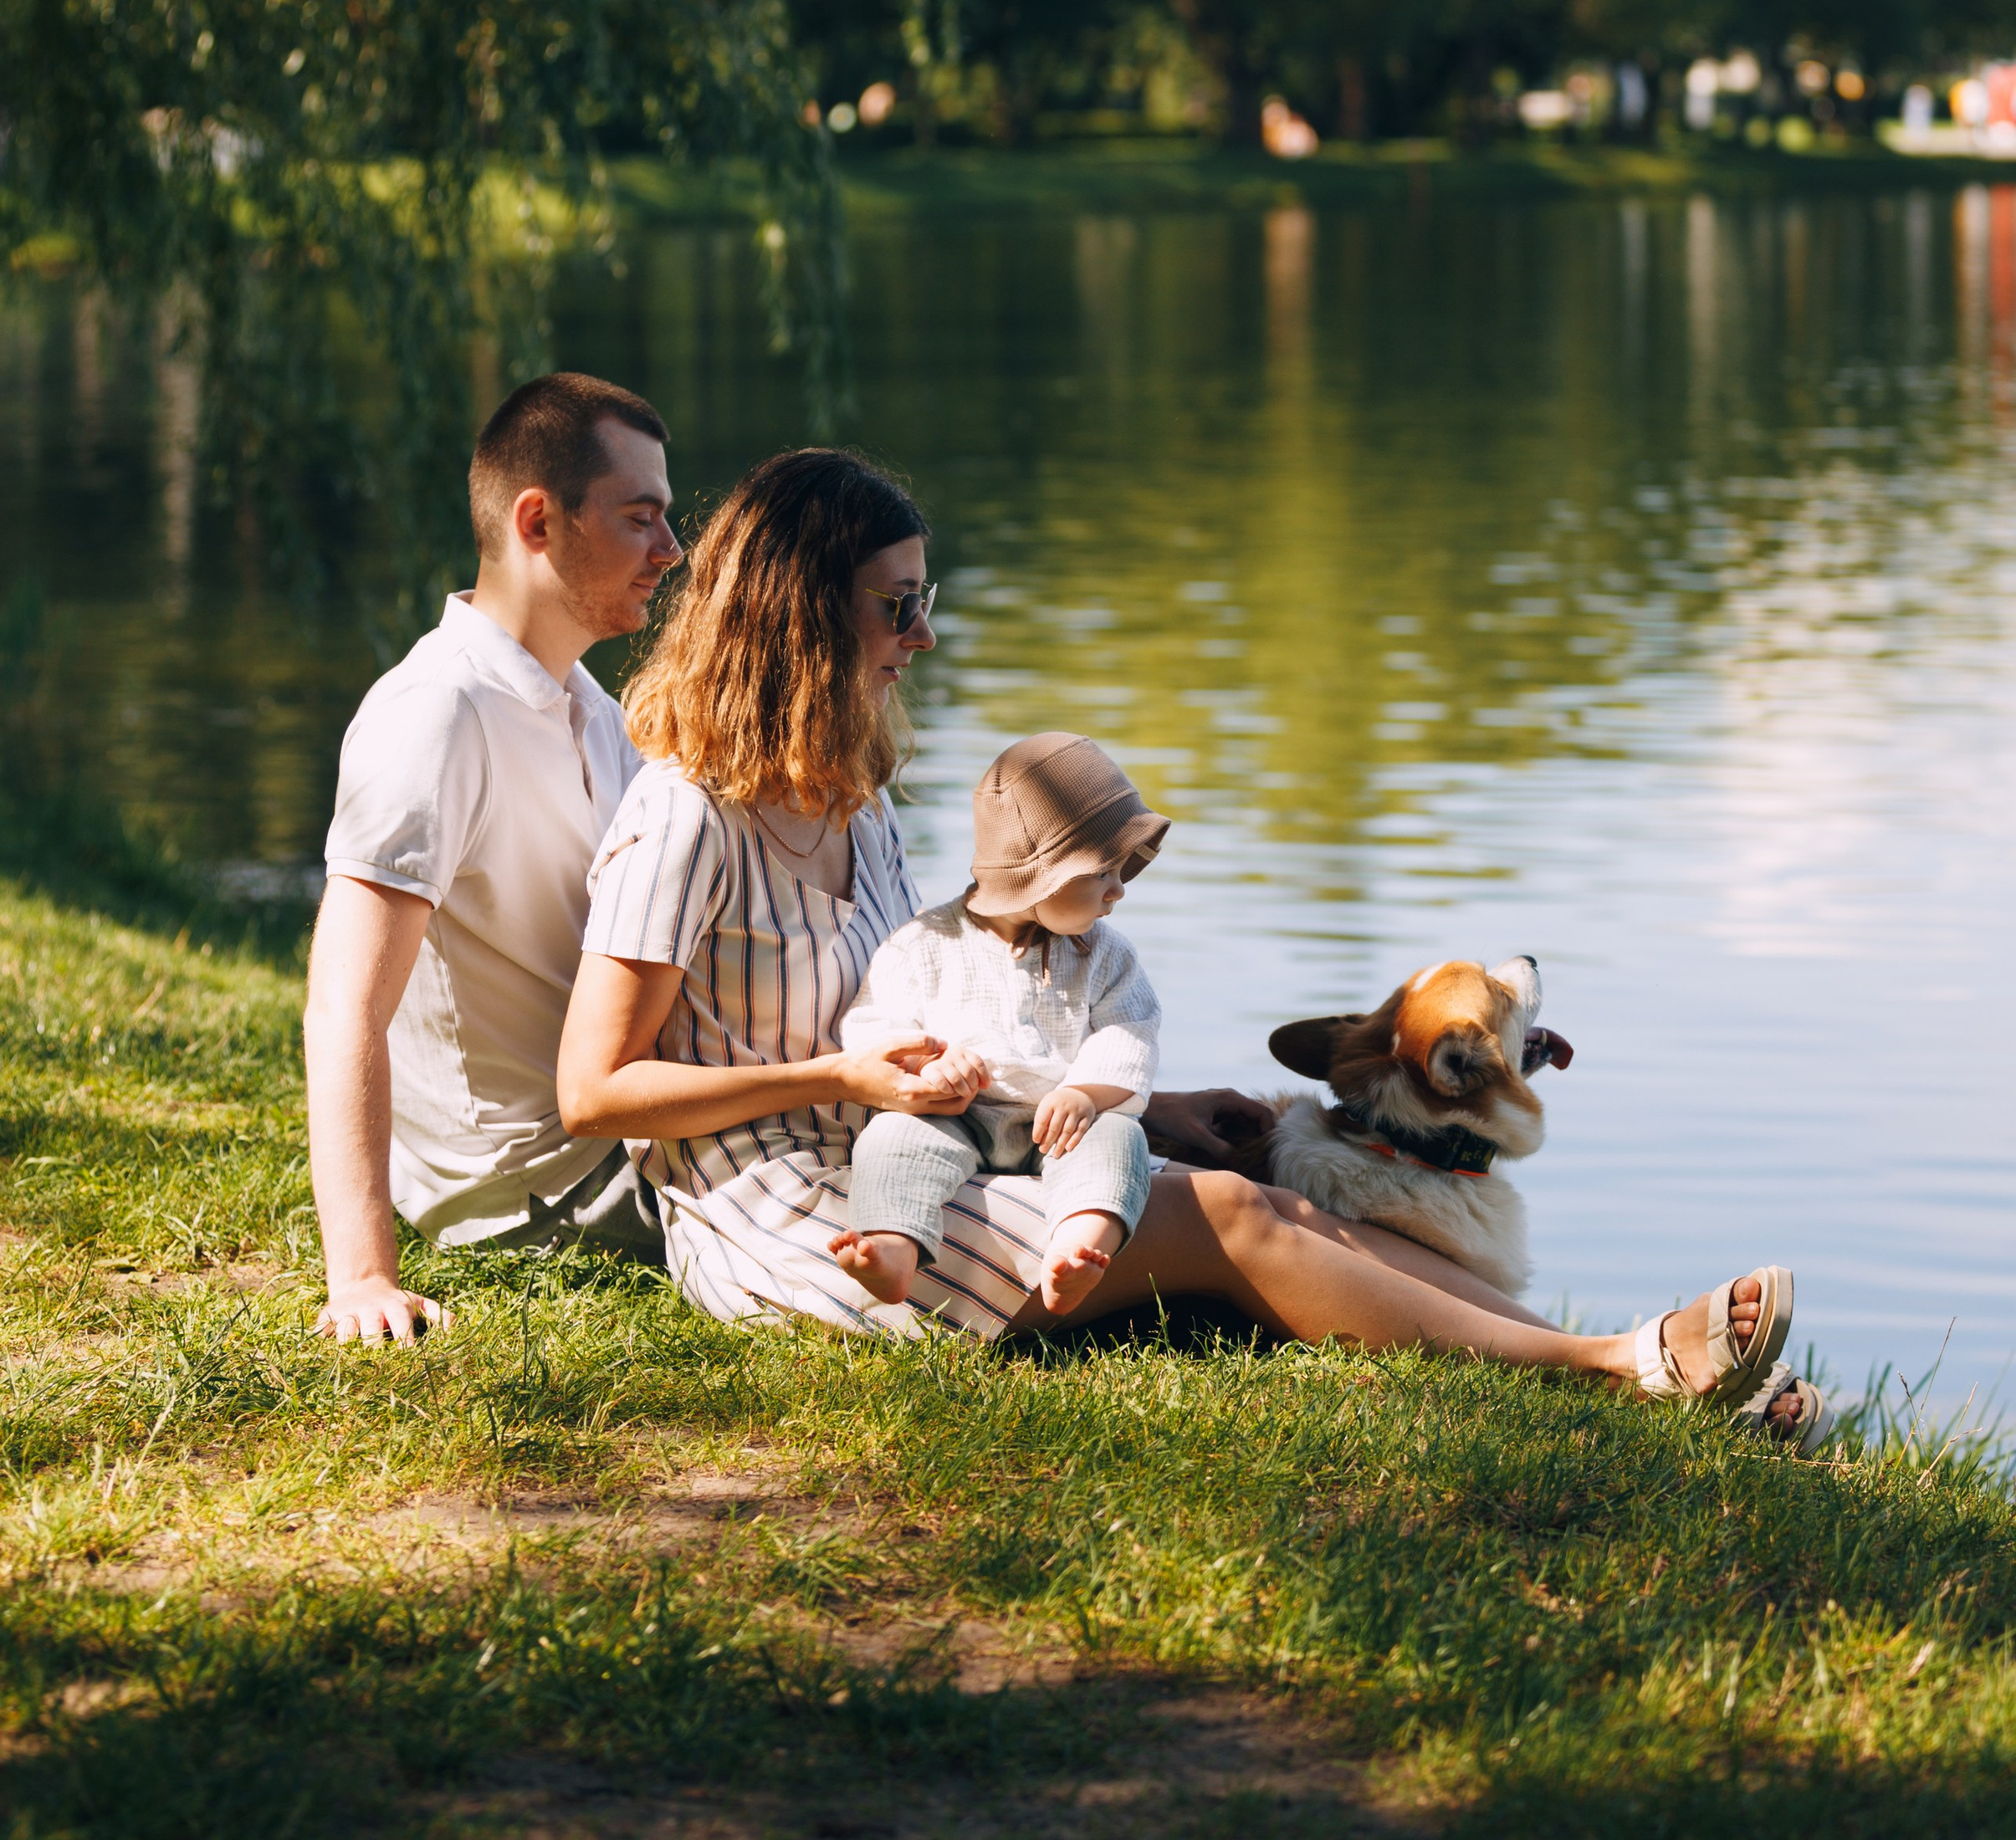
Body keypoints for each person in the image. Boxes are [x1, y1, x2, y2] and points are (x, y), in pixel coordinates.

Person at [555, 442, 1824, 1438]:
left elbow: (958, 1036)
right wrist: (842, 1080)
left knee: (1260, 1185)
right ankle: (1616, 1370)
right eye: (897, 605)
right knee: (1229, 1217)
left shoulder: (853, 797)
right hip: (799, 1223)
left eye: (921, 600)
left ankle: (1621, 1362)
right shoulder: (682, 818)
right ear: (799, 614)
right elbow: (596, 1093)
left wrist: (1146, 1110)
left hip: (928, 1155)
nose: (923, 635)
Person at [305, 373, 681, 1342]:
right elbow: (345, 1004)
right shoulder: (435, 713)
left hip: (630, 1136)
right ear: (538, 521)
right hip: (536, 1192)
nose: (671, 552)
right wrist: (361, 1279)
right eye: (642, 518)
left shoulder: (594, 711)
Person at [831, 733, 1169, 1316]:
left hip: (1060, 1127)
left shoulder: (1106, 955)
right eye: (1104, 872)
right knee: (891, 1140)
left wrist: (1086, 1093)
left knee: (1119, 1141)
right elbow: (873, 1023)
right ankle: (891, 1245)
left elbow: (1130, 1032)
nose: (1119, 890)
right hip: (953, 1116)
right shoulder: (925, 944)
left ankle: (1076, 1250)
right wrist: (927, 1062)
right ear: (1041, 875)